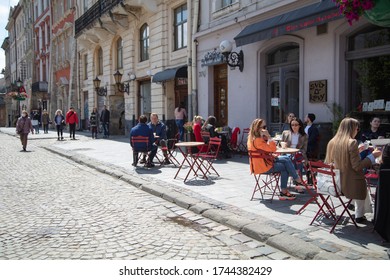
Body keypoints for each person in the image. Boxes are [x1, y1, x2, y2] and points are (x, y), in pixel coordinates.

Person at [325, 117, 382, 223]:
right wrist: (372, 157)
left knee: (362, 181)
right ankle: (359, 214)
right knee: (362, 182)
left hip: (335, 183)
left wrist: (358, 151)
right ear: (351, 129)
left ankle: (357, 210)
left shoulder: (332, 141)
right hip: (350, 185)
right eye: (357, 128)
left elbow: (339, 161)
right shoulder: (352, 142)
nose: (357, 131)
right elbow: (357, 166)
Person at [247, 118, 304, 200]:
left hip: (262, 162)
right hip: (263, 167)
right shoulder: (258, 140)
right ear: (258, 128)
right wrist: (269, 136)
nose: (265, 129)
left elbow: (265, 150)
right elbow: (273, 148)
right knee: (285, 166)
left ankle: (295, 181)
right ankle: (288, 187)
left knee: (286, 158)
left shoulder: (251, 138)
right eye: (264, 127)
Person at [281, 118, 308, 188]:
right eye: (292, 125)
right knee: (293, 159)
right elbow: (280, 146)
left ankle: (297, 182)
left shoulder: (304, 136)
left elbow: (304, 149)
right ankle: (298, 182)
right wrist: (284, 146)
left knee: (297, 159)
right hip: (287, 154)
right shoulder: (285, 133)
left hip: (299, 154)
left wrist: (297, 152)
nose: (294, 127)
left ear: (300, 126)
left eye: (296, 125)